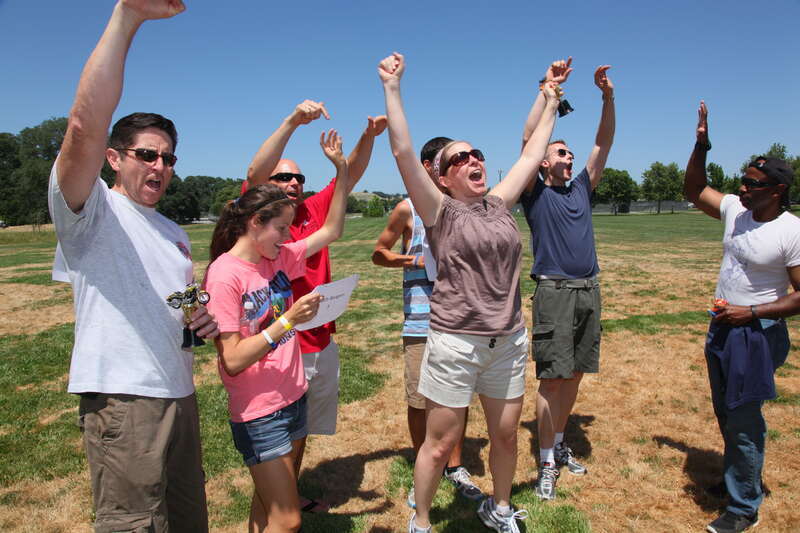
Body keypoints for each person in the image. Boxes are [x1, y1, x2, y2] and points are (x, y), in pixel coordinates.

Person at [46, 2, 218, 531]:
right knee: (134, 523)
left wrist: (199, 314)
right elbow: (83, 125)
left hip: (179, 391)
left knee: (187, 518)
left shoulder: (172, 233)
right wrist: (128, 17)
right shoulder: (92, 209)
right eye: (147, 154)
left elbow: (179, 298)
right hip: (124, 397)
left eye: (168, 158)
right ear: (115, 158)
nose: (160, 166)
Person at [378, 51, 560, 533]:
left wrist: (552, 98)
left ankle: (500, 508)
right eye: (460, 157)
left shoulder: (499, 204)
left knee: (504, 438)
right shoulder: (440, 211)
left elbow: (531, 153)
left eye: (476, 153)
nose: (474, 159)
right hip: (456, 342)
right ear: (441, 176)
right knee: (440, 443)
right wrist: (392, 89)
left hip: (507, 342)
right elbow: (401, 152)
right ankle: (420, 521)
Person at [204, 130, 350, 533]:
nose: (289, 237)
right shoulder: (224, 276)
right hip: (259, 410)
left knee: (265, 503)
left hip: (292, 396)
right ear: (256, 222)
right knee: (287, 520)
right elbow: (231, 359)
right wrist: (287, 320)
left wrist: (341, 168)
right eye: (282, 229)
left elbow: (332, 230)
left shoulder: (278, 258)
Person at [244, 101, 386, 511]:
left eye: (298, 178)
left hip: (321, 338)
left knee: (301, 428)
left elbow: (351, 174)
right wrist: (291, 122)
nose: (292, 183)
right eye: (283, 176)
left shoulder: (311, 211)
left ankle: (289, 495)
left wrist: (367, 138)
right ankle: (273, 504)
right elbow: (255, 173)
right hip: (280, 339)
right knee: (278, 430)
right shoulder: (257, 218)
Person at [684, 101, 799, 533]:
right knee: (726, 413)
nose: (742, 189)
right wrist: (701, 146)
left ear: (777, 190)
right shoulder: (736, 210)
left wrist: (749, 311)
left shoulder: (792, 231)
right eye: (742, 182)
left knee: (745, 419)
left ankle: (743, 508)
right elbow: (695, 190)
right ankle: (738, 480)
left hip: (757, 331)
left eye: (752, 184)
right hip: (723, 326)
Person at [519, 58, 615, 501]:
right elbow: (527, 140)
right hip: (554, 291)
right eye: (560, 153)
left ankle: (558, 445)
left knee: (575, 374)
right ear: (542, 162)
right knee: (552, 380)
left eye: (569, 154)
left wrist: (606, 97)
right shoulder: (535, 193)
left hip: (589, 289)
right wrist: (548, 93)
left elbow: (603, 141)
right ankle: (543, 463)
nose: (569, 156)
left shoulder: (580, 188)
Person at [372, 136, 484, 508]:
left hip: (459, 321)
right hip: (421, 322)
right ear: (425, 167)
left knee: (458, 397)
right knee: (420, 400)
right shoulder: (407, 210)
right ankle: (424, 464)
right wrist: (413, 261)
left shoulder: (464, 207)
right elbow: (379, 253)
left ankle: (455, 466)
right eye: (441, 162)